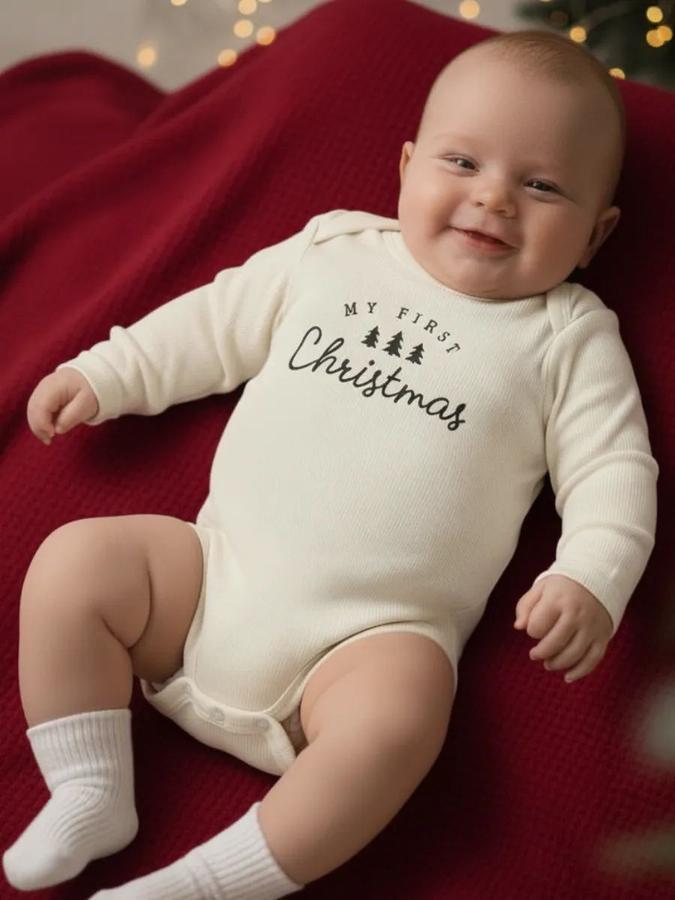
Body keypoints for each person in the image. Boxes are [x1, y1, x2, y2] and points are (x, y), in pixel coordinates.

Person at [3, 28, 658, 900]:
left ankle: (207, 884)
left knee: (401, 720)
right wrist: (106, 372)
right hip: (206, 582)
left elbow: (614, 471)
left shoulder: (566, 337)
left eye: (540, 186)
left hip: (364, 647)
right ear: (406, 168)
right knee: (75, 560)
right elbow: (211, 323)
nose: (493, 198)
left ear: (594, 234)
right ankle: (89, 786)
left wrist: (590, 577)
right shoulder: (334, 252)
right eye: (462, 162)